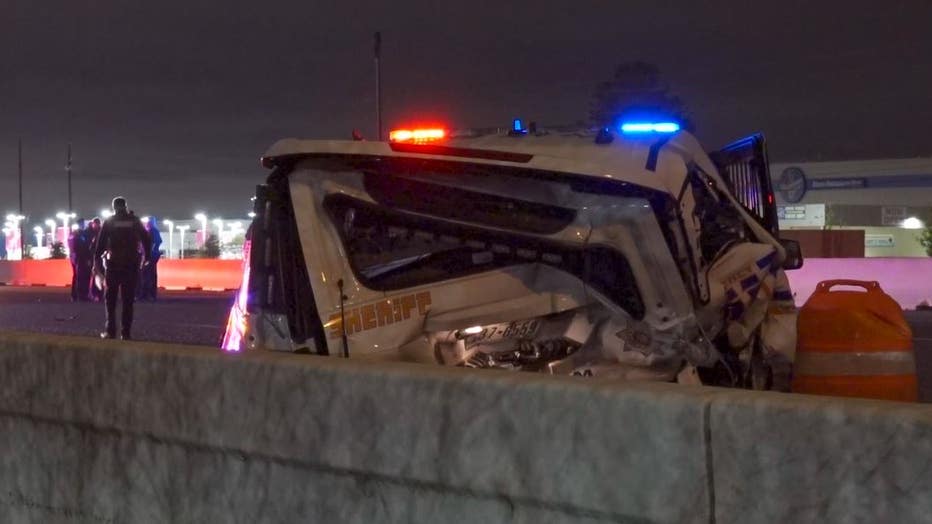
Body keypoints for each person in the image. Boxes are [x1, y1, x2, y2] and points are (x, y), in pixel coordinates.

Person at [93, 197, 151, 340]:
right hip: (131, 265)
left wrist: (97, 262)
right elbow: (146, 239)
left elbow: (100, 245)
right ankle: (126, 333)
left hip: (113, 265)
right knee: (128, 300)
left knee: (110, 300)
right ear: (125, 206)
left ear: (114, 207)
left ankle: (110, 331)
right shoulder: (134, 220)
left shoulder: (110, 222)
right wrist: (147, 257)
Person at [139, 217, 162, 301]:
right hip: (149, 255)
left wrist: (149, 252)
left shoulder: (153, 231)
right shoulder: (151, 231)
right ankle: (148, 294)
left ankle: (148, 294)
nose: (146, 223)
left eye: (148, 222)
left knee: (148, 274)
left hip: (150, 256)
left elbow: (156, 242)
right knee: (148, 274)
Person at [67, 218, 91, 302]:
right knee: (80, 277)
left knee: (78, 276)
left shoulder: (75, 234)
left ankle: (77, 295)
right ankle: (80, 295)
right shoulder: (78, 234)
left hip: (77, 257)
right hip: (79, 258)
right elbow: (80, 247)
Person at [86, 218, 104, 302]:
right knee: (98, 276)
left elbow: (91, 248)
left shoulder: (97, 234)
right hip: (100, 258)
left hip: (98, 258)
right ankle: (98, 294)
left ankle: (97, 294)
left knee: (98, 276)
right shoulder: (100, 233)